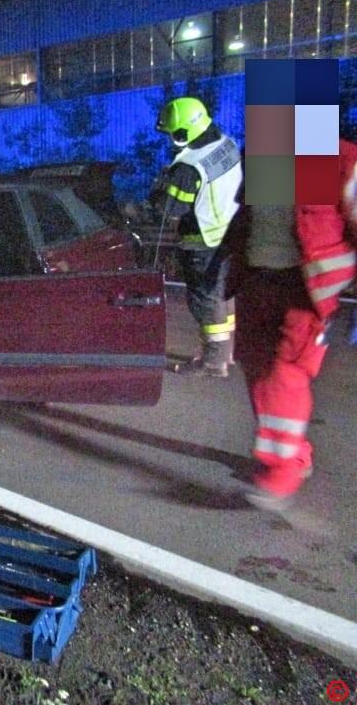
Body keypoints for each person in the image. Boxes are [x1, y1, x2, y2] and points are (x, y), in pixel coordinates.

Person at [237, 139, 357, 508]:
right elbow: (250, 218)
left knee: (284, 374)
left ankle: (280, 473)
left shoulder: (336, 158)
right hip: (256, 281)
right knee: (256, 370)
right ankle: (294, 452)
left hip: (304, 288)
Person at [155, 96, 242, 377]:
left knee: (205, 300)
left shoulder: (188, 168)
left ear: (183, 133)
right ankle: (225, 354)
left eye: (172, 133)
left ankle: (213, 362)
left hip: (204, 240)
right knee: (222, 294)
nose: (170, 139)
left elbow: (172, 209)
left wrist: (160, 189)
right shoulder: (225, 143)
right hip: (232, 230)